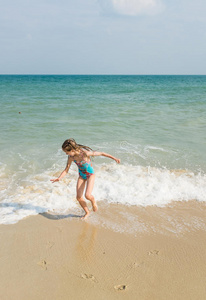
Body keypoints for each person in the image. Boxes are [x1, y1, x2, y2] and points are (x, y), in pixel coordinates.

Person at [51, 138, 120, 219]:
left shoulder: (85, 153)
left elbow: (102, 153)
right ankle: (87, 212)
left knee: (87, 195)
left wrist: (115, 158)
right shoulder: (71, 157)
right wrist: (59, 178)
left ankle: (93, 201)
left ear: (72, 150)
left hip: (90, 175)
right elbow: (66, 169)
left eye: (67, 152)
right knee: (79, 197)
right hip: (82, 176)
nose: (66, 154)